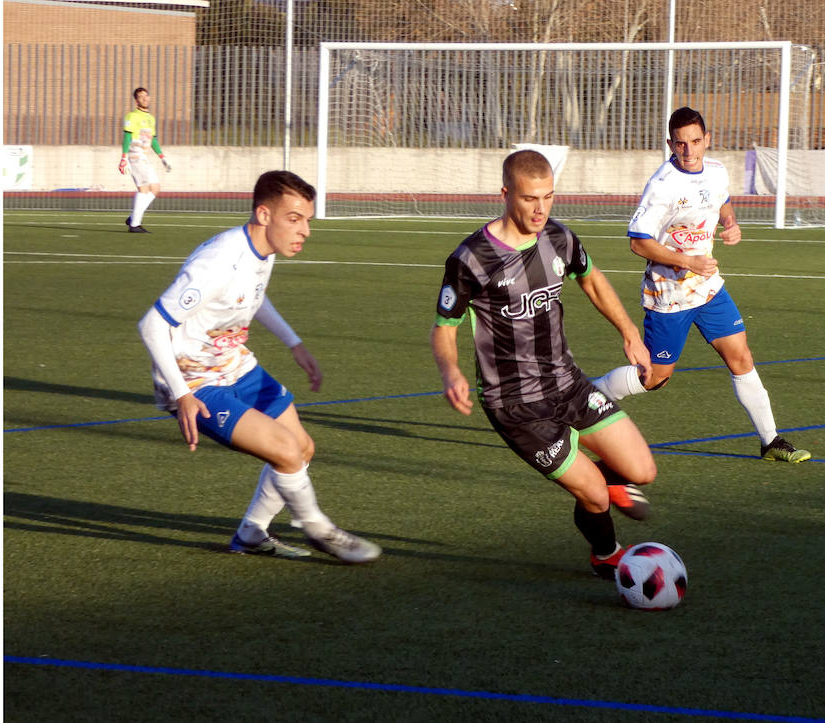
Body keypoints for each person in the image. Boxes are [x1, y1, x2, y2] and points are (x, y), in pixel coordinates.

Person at [430, 149, 657, 580]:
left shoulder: (559, 238)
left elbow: (591, 278)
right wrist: (451, 371)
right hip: (514, 404)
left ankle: (603, 488)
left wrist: (628, 331)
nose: (540, 209)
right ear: (506, 193)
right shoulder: (470, 259)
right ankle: (605, 553)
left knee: (642, 470)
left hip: (567, 383)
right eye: (530, 198)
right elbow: (444, 327)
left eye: (549, 197)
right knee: (594, 495)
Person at [137, 170, 381, 564]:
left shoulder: (261, 250)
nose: (305, 231)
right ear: (264, 215)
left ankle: (251, 534)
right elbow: (152, 324)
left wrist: (294, 343)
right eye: (294, 219)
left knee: (301, 448)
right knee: (285, 451)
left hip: (234, 364)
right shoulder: (219, 262)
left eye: (307, 220)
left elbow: (254, 297)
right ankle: (318, 528)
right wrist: (180, 394)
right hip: (194, 379)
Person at [592, 107, 811, 464]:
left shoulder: (717, 171)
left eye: (695, 141)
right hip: (668, 295)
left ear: (707, 140)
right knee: (655, 377)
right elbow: (637, 242)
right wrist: (688, 261)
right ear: (670, 144)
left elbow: (723, 203)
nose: (689, 150)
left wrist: (731, 223)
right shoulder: (662, 186)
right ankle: (589, 396)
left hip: (708, 289)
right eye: (680, 144)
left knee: (741, 356)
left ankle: (770, 442)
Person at [119, 87, 170, 233]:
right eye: (141, 96)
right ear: (136, 100)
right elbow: (127, 137)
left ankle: (133, 217)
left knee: (155, 188)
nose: (145, 98)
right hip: (135, 155)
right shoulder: (132, 116)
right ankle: (135, 225)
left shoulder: (150, 118)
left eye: (146, 96)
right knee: (143, 189)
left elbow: (153, 139)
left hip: (145, 157)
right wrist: (123, 158)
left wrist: (162, 157)